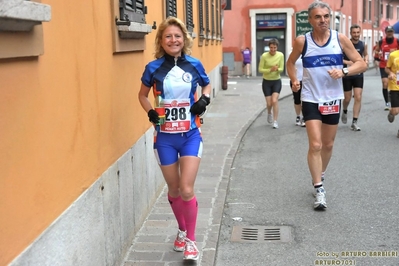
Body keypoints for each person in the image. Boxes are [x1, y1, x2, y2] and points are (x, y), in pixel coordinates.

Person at [138, 17, 211, 261]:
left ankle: (191, 241)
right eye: (168, 36)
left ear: (184, 39)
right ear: (161, 40)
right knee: (174, 189)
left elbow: (207, 86)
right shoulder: (153, 68)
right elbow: (142, 95)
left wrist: (204, 100)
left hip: (190, 135)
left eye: (177, 36)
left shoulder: (194, 64)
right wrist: (149, 111)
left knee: (187, 189)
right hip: (165, 138)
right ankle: (181, 230)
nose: (173, 40)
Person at [287, 2, 367, 210]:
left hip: (333, 97)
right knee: (316, 145)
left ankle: (319, 173)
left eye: (325, 16)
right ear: (310, 20)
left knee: (328, 144)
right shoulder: (302, 41)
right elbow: (290, 63)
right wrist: (294, 79)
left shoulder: (339, 39)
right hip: (311, 97)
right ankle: (319, 188)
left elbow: (361, 63)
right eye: (317, 17)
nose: (322, 20)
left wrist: (344, 72)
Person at [341, 24, 368, 131]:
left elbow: (365, 54)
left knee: (358, 96)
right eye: (354, 33)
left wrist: (365, 60)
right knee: (347, 98)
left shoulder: (362, 44)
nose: (356, 35)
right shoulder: (346, 44)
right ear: (350, 33)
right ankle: (345, 109)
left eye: (358, 32)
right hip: (347, 74)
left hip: (358, 74)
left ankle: (354, 122)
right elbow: (339, 59)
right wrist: (350, 62)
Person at [258, 38, 284, 129]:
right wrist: (270, 70)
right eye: (271, 48)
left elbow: (281, 69)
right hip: (266, 82)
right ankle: (269, 113)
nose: (273, 50)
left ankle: (275, 121)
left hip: (276, 81)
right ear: (269, 47)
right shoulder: (264, 56)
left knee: (274, 100)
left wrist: (277, 69)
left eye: (275, 48)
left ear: (277, 47)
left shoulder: (280, 55)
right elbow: (260, 69)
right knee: (269, 103)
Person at [375, 26, 399, 110]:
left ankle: (393, 99)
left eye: (391, 31)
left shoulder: (397, 41)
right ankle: (387, 102)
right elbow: (376, 51)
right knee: (385, 83)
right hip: (384, 65)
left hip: (395, 67)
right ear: (385, 32)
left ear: (393, 32)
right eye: (388, 32)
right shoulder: (381, 41)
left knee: (395, 84)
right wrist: (379, 54)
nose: (389, 33)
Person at [385, 49, 399, 138]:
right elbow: (386, 68)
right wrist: (390, 73)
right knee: (396, 111)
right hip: (395, 86)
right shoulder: (393, 55)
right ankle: (391, 111)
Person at [289, 55, 306, 127]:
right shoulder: (292, 53)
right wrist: (293, 77)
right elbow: (289, 65)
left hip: (306, 80)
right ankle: (298, 116)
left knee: (305, 99)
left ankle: (304, 117)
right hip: (296, 80)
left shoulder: (308, 51)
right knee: (297, 99)